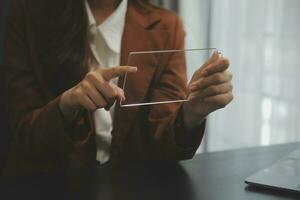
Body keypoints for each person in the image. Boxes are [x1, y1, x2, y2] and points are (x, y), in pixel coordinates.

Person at [4, 0, 233, 174]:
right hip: (48, 184)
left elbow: (162, 145)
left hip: (132, 187)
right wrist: (66, 106)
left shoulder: (166, 27)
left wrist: (190, 115)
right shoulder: (27, 18)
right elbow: (22, 136)